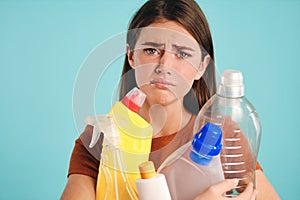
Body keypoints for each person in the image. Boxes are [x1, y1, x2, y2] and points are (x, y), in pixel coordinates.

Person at [61, 0, 280, 199]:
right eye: (151, 50)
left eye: (183, 54)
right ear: (131, 56)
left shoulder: (219, 134)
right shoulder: (101, 137)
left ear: (201, 67)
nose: (164, 67)